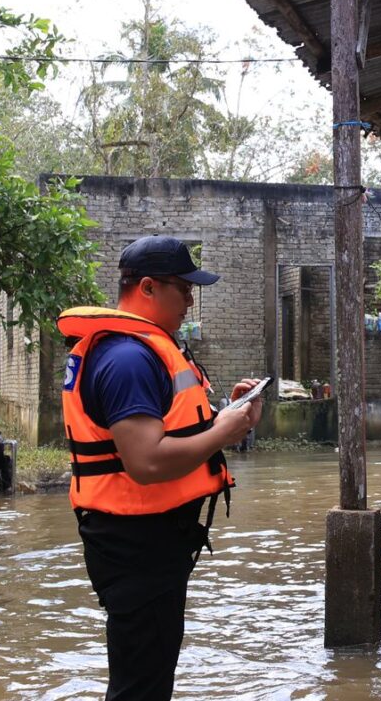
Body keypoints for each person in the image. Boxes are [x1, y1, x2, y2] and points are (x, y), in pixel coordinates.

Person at [57, 235, 264, 700]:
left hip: (150, 538)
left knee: (149, 674)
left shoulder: (138, 350)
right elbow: (146, 461)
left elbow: (169, 433)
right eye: (183, 288)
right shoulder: (128, 358)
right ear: (147, 288)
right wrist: (222, 433)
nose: (191, 299)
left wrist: (223, 417)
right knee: (140, 685)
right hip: (134, 544)